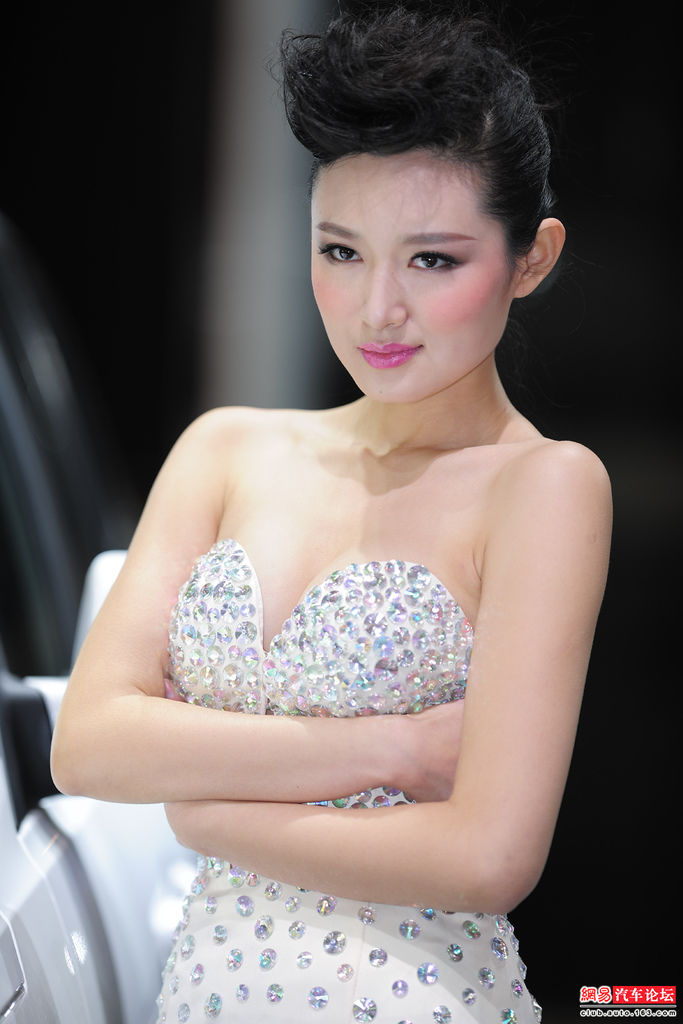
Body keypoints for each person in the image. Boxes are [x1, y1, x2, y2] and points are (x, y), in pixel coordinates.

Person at [50, 2, 612, 1021]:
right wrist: (390, 750)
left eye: (431, 259)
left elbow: (487, 858)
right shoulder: (226, 448)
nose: (375, 308)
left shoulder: (542, 485)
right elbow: (87, 743)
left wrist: (209, 814)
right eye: (341, 251)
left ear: (531, 258)